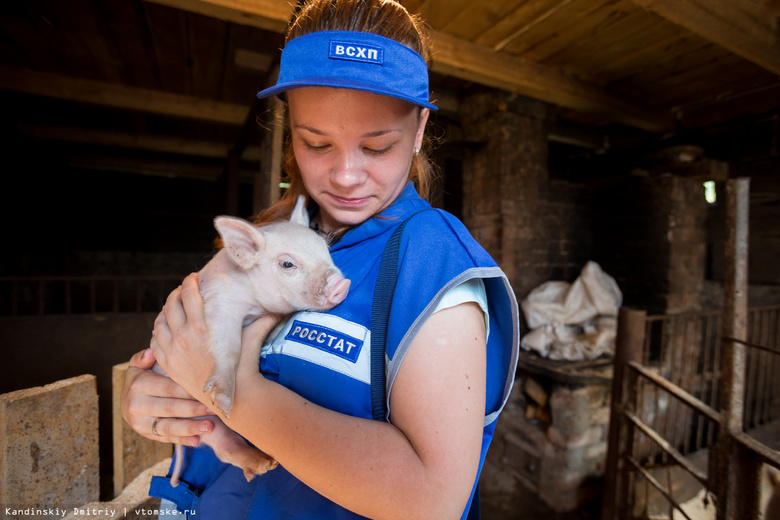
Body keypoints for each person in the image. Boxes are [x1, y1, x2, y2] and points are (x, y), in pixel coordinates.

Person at [120, 0, 519, 518]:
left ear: (419, 129)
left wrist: (231, 392)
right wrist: (151, 399)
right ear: (292, 130)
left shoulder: (431, 261)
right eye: (316, 143)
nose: (346, 175)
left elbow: (432, 500)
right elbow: (182, 347)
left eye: (376, 147)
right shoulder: (276, 233)